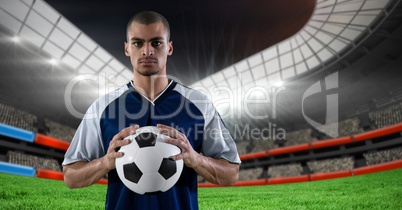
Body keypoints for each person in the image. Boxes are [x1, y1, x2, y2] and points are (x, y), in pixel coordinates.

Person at [62, 11, 241, 209]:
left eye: (156, 43)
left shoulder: (199, 105)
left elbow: (231, 174)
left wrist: (195, 159)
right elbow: (71, 176)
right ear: (127, 48)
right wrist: (105, 163)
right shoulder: (102, 108)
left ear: (169, 47)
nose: (147, 51)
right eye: (138, 43)